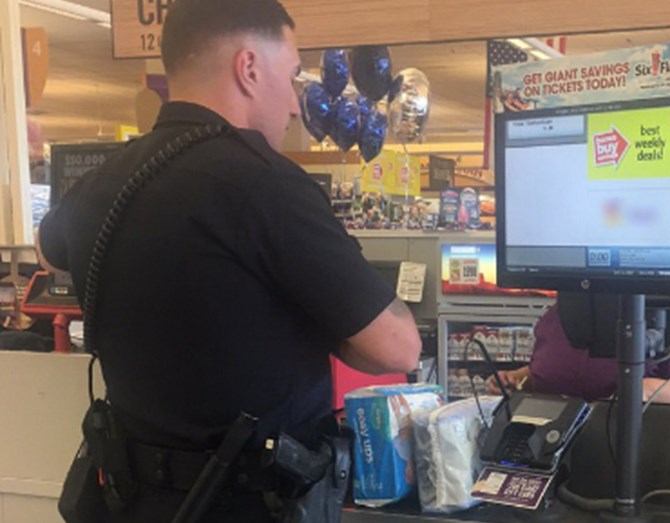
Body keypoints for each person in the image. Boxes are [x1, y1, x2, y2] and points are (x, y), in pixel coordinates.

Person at [38, 0, 420, 521]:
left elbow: (47, 251)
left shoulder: (103, 182)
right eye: (292, 76)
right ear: (249, 68)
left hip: (130, 499)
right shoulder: (267, 186)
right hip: (251, 503)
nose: (295, 105)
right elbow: (397, 347)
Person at [487, 305, 670, 406]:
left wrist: (645, 389)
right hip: (551, 449)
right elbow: (549, 372)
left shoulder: (666, 314)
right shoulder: (559, 314)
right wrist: (517, 379)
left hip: (634, 455)